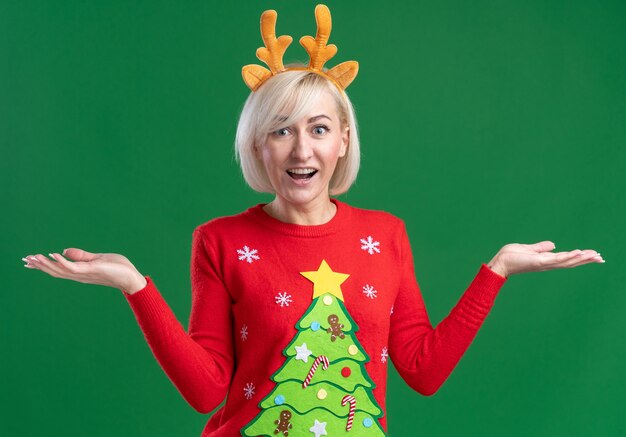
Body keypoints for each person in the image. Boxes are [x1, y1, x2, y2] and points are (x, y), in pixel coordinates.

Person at [21, 5, 604, 437]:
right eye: (281, 130)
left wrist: (496, 271)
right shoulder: (220, 241)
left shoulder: (386, 235)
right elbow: (205, 392)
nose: (302, 150)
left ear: (343, 138)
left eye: (319, 128)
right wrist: (137, 287)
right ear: (258, 145)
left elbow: (422, 371)